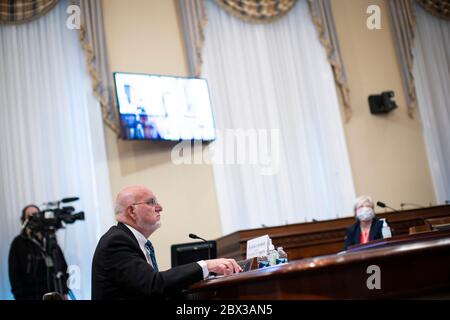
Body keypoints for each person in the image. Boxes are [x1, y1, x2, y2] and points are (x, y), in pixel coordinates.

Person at [91, 185, 242, 300]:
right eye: (151, 202)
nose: (160, 207)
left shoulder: (132, 240)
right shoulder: (117, 241)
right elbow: (153, 285)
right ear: (131, 211)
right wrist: (207, 265)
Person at [8, 204, 69, 300]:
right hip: (31, 296)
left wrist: (64, 291)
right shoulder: (18, 243)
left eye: (36, 215)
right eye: (30, 216)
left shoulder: (50, 238)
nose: (34, 218)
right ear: (24, 220)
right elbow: (14, 276)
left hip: (55, 295)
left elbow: (62, 266)